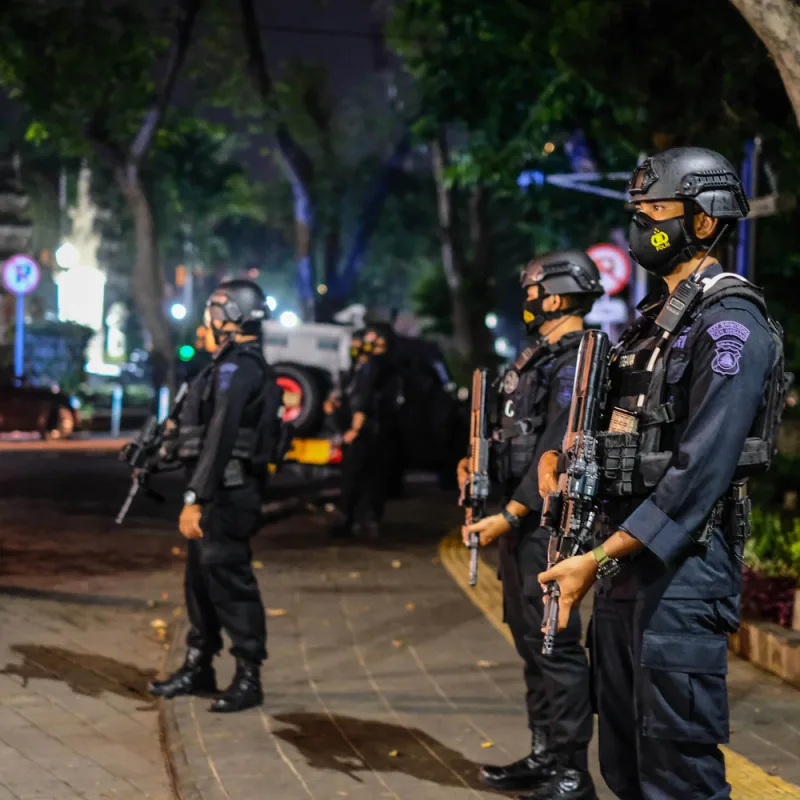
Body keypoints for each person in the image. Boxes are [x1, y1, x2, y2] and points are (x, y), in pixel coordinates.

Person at [538, 147, 787, 799]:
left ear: (703, 222)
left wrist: (598, 559)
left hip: (682, 573)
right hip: (628, 565)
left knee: (675, 771)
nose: (639, 224)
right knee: (623, 762)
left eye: (653, 211)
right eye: (636, 211)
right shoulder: (653, 326)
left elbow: (699, 472)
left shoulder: (729, 327)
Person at [460, 250, 603, 800]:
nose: (528, 299)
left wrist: (511, 512)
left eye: (534, 289)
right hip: (518, 524)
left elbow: (555, 446)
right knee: (530, 643)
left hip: (547, 524)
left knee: (556, 646)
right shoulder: (537, 359)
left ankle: (571, 770)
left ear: (559, 295)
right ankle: (545, 753)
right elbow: (510, 437)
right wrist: (475, 466)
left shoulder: (578, 361)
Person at [149, 279, 284, 714]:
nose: (208, 318)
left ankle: (249, 676)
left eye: (215, 309)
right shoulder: (225, 366)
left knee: (228, 580)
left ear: (232, 315)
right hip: (217, 491)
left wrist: (196, 497)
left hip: (227, 493)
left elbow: (222, 437)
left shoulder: (238, 369)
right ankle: (199, 665)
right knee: (201, 583)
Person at [329, 323, 398, 539]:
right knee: (370, 478)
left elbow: (364, 400)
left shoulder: (373, 366)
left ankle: (351, 520)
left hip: (366, 432)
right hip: (377, 433)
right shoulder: (374, 366)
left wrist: (354, 430)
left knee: (354, 476)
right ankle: (365, 520)